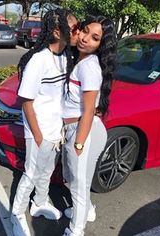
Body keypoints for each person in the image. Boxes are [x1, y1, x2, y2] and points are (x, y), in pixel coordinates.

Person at [10, 8, 79, 236]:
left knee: (47, 170)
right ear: (58, 32)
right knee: (31, 173)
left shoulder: (65, 57)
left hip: (54, 131)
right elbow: (26, 102)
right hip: (38, 130)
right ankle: (16, 215)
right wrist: (38, 136)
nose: (78, 32)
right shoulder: (38, 60)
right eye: (74, 28)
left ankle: (39, 202)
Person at [62, 15, 117, 236]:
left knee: (78, 184)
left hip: (84, 132)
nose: (85, 39)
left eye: (94, 38)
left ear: (100, 46)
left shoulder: (89, 67)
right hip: (78, 129)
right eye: (84, 31)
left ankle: (76, 230)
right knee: (77, 180)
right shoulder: (81, 61)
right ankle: (88, 210)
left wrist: (78, 144)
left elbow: (87, 111)